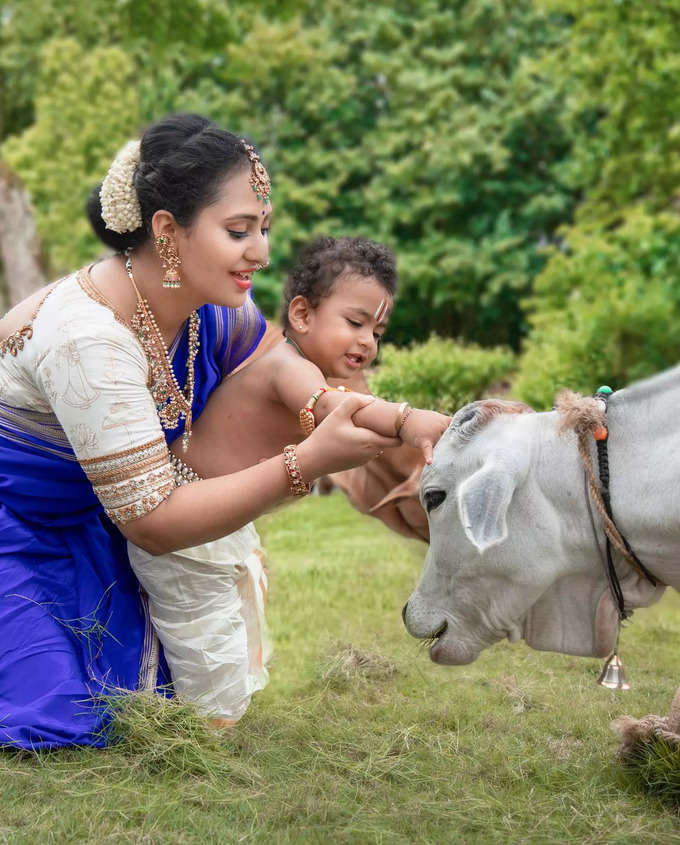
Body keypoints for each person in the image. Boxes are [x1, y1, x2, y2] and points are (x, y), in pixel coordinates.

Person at [0, 113, 402, 750]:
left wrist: (361, 411)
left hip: (92, 523)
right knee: (66, 712)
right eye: (239, 230)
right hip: (17, 528)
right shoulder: (88, 340)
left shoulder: (210, 300)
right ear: (167, 229)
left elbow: (277, 362)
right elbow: (155, 520)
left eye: (263, 229)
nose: (264, 254)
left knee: (168, 688)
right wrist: (308, 460)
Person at [127, 236, 449, 724]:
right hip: (183, 513)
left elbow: (352, 418)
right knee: (207, 633)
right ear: (301, 315)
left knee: (226, 623)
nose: (367, 341)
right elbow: (329, 409)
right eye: (355, 323)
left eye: (378, 331)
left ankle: (208, 713)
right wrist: (406, 420)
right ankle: (205, 728)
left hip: (222, 519)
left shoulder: (327, 377)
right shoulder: (287, 367)